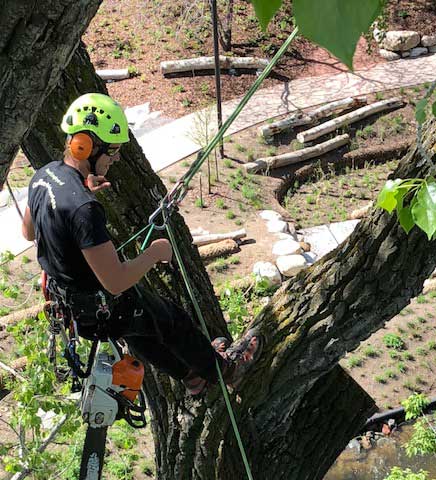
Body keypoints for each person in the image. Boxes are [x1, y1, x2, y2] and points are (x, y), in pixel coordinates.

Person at [21, 93, 260, 394]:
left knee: (142, 333)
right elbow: (115, 282)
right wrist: (155, 252)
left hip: (72, 308)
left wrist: (81, 192)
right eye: (113, 151)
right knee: (172, 322)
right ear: (86, 147)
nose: (117, 158)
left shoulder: (44, 176)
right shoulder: (84, 209)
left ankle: (192, 377)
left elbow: (29, 233)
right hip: (102, 305)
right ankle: (227, 370)